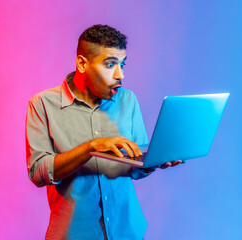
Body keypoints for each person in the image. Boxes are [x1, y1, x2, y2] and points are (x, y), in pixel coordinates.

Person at [26, 24, 182, 240]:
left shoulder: (128, 100)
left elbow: (135, 170)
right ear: (82, 63)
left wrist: (154, 161)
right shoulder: (42, 105)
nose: (120, 75)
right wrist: (91, 147)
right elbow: (38, 172)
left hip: (128, 232)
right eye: (110, 64)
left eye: (123, 64)